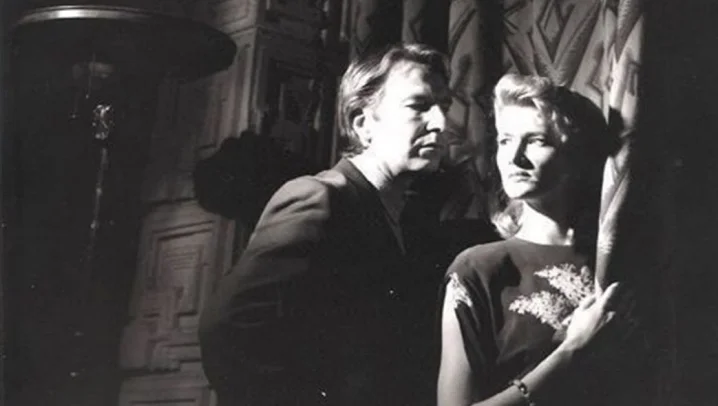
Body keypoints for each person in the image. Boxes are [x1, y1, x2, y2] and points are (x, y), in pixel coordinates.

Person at [199, 43, 453, 406]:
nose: (441, 123)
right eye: (419, 105)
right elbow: (227, 330)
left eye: (445, 106)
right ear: (363, 124)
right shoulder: (320, 198)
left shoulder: (403, 219)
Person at [437, 73, 627, 406]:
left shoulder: (615, 261)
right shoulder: (478, 269)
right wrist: (571, 350)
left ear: (578, 156)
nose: (514, 157)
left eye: (536, 140)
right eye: (505, 140)